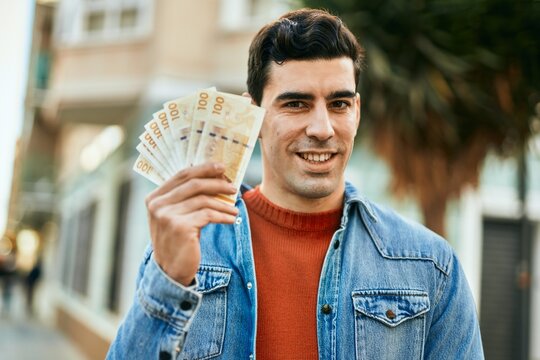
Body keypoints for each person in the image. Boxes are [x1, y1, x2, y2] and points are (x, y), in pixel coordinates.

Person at [107, 8, 483, 359]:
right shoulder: (187, 247)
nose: (322, 129)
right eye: (296, 104)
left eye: (338, 104)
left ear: (357, 111)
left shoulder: (431, 267)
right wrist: (169, 281)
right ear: (251, 115)